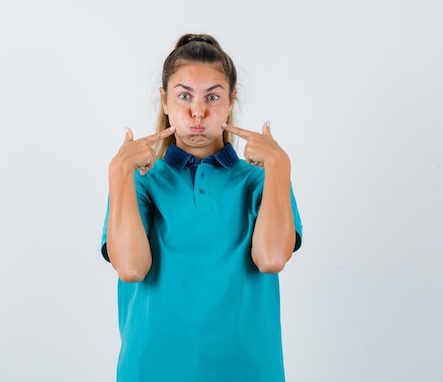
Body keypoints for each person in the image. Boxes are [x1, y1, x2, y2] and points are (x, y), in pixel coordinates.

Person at [100, 33, 303, 382]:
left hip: (247, 371)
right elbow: (131, 268)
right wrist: (119, 172)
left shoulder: (259, 180)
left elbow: (271, 259)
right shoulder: (140, 180)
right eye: (184, 96)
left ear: (231, 100)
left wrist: (280, 166)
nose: (198, 111)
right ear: (164, 101)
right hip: (152, 370)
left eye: (212, 96)